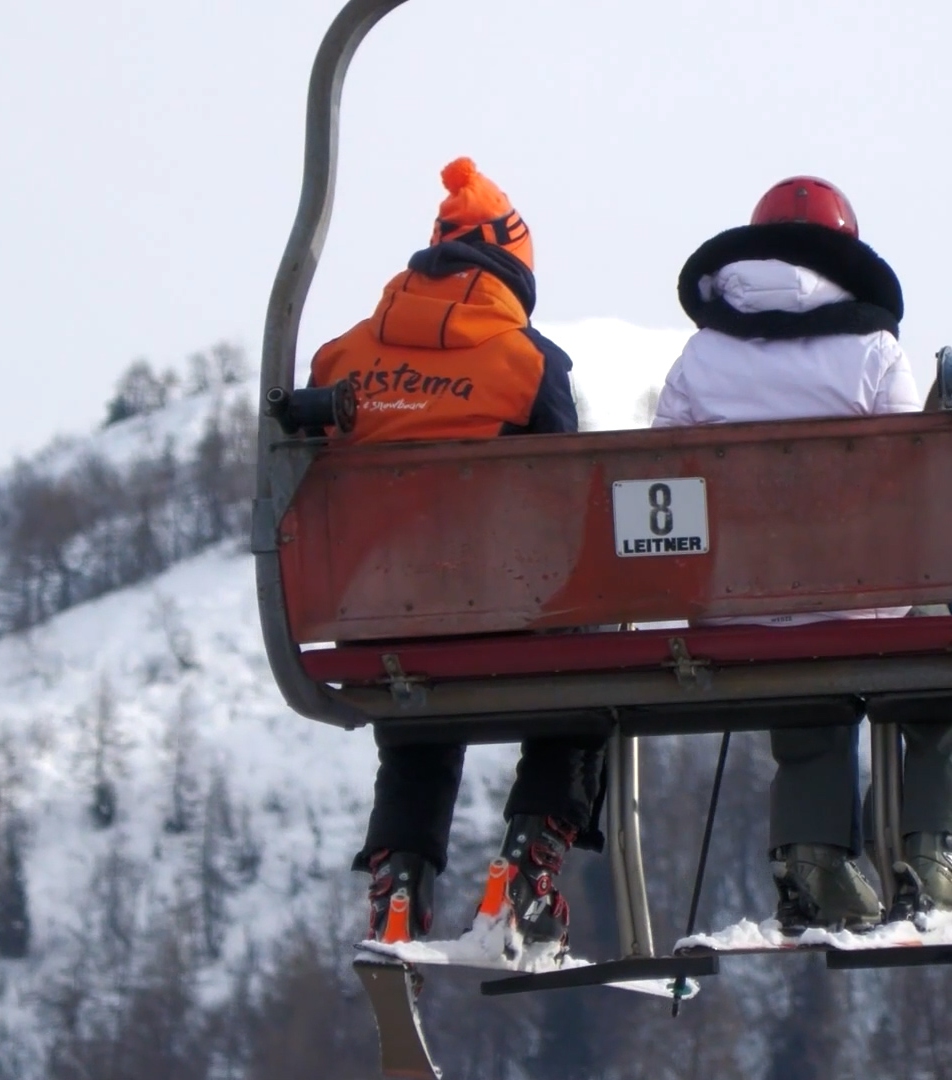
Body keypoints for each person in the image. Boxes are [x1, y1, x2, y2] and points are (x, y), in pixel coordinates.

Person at [651, 177, 952, 933]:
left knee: (798, 659)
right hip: (864, 591)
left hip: (746, 605)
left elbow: (662, 472)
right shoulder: (873, 349)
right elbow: (917, 471)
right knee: (951, 651)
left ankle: (815, 857)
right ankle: (934, 854)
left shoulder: (700, 356)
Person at [310, 157, 600, 948]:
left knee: (419, 684)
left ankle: (399, 880)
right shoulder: (530, 365)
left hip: (380, 624)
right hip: (510, 620)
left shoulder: (341, 360)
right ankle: (527, 865)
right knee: (592, 662)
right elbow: (566, 501)